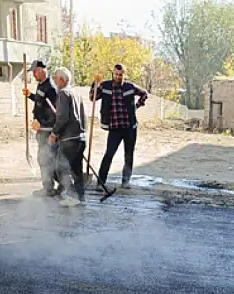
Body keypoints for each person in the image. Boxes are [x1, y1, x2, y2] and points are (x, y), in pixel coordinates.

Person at [89, 63, 148, 189]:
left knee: (129, 154)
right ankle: (101, 182)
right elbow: (92, 98)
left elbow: (144, 94)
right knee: (109, 154)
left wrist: (137, 106)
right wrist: (95, 85)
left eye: (120, 75)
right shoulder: (105, 86)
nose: (118, 77)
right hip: (114, 128)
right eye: (116, 74)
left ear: (124, 75)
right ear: (113, 74)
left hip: (129, 127)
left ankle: (126, 181)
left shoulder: (130, 87)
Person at [23, 60, 63, 197]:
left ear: (41, 71)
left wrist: (43, 124)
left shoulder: (50, 88)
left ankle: (49, 188)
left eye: (34, 72)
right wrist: (30, 96)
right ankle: (54, 186)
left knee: (45, 159)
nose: (33, 75)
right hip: (42, 130)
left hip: (48, 131)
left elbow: (55, 112)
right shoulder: (42, 85)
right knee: (46, 159)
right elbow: (42, 102)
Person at [49, 67, 87, 207]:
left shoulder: (64, 94)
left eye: (56, 79)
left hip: (69, 139)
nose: (55, 82)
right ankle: (81, 197)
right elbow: (83, 117)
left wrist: (54, 133)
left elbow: (62, 117)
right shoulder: (76, 94)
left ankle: (72, 195)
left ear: (61, 80)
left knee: (60, 168)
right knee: (77, 170)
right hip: (80, 138)